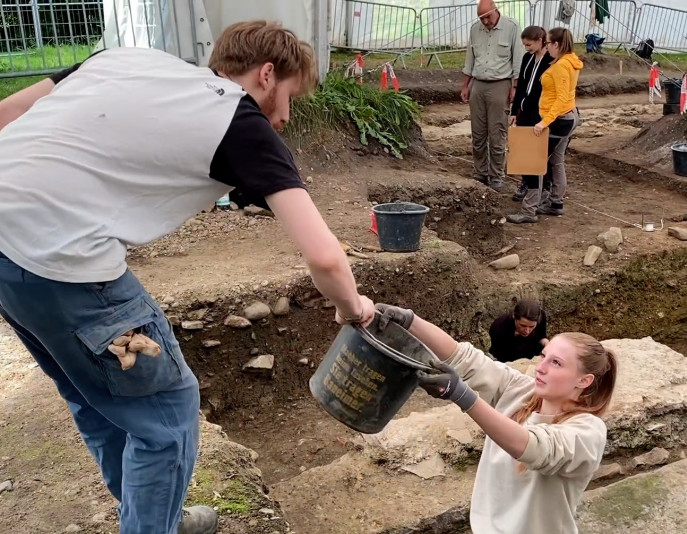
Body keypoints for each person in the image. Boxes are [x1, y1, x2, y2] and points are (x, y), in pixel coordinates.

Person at [0, 21, 375, 534]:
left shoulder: (126, 58)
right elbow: (325, 258)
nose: (285, 116)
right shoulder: (238, 122)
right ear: (267, 74)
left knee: (95, 394)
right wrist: (352, 309)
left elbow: (6, 115)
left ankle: (154, 518)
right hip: (63, 263)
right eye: (289, 96)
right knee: (168, 416)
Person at [374, 304, 617, 534]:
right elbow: (465, 360)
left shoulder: (589, 431)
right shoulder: (521, 390)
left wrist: (462, 396)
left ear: (584, 381)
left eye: (556, 363)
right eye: (543, 356)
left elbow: (535, 448)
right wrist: (410, 320)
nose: (541, 367)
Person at [461, 0, 523, 192]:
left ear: (496, 11)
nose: (485, 21)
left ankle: (496, 175)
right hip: (478, 84)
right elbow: (470, 58)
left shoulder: (511, 28)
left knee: (497, 133)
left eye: (487, 16)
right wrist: (466, 85)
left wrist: (515, 87)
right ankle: (480, 171)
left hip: (500, 84)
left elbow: (518, 59)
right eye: (481, 18)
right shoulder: (475, 29)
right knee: (478, 132)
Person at [532, 27, 583, 219]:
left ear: (556, 44)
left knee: (538, 161)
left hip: (560, 119)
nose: (546, 47)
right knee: (556, 160)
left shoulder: (562, 66)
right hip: (567, 116)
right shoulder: (569, 61)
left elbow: (561, 98)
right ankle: (555, 201)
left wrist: (544, 122)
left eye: (547, 43)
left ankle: (534, 201)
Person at [507, 25, 553, 224]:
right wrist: (514, 111)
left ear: (541, 40)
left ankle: (540, 196)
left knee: (537, 156)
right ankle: (529, 187)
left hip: (540, 114)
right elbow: (522, 87)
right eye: (524, 44)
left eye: (529, 44)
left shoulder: (551, 61)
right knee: (525, 153)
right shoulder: (527, 59)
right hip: (525, 112)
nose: (526, 48)